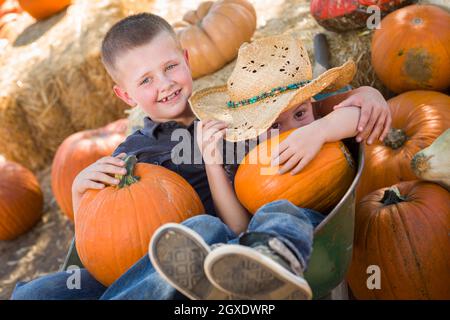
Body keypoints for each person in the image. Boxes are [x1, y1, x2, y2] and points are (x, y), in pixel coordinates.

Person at [11, 14, 390, 300]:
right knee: (40, 292)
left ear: (187, 60)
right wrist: (79, 189)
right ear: (125, 97)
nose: (165, 84)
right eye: (145, 80)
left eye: (170, 67)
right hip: (147, 262)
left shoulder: (237, 121)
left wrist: (368, 97)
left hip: (221, 245)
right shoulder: (131, 155)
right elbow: (98, 237)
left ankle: (268, 264)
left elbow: (309, 108)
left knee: (203, 230)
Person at [148, 34, 390, 300]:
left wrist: (320, 130)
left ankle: (273, 262)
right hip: (253, 240)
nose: (291, 130)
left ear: (311, 105)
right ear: (255, 129)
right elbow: (240, 227)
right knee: (202, 225)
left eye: (300, 114)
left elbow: (358, 114)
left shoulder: (320, 122)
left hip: (312, 232)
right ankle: (220, 274)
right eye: (274, 125)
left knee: (281, 211)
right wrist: (212, 163)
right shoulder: (256, 155)